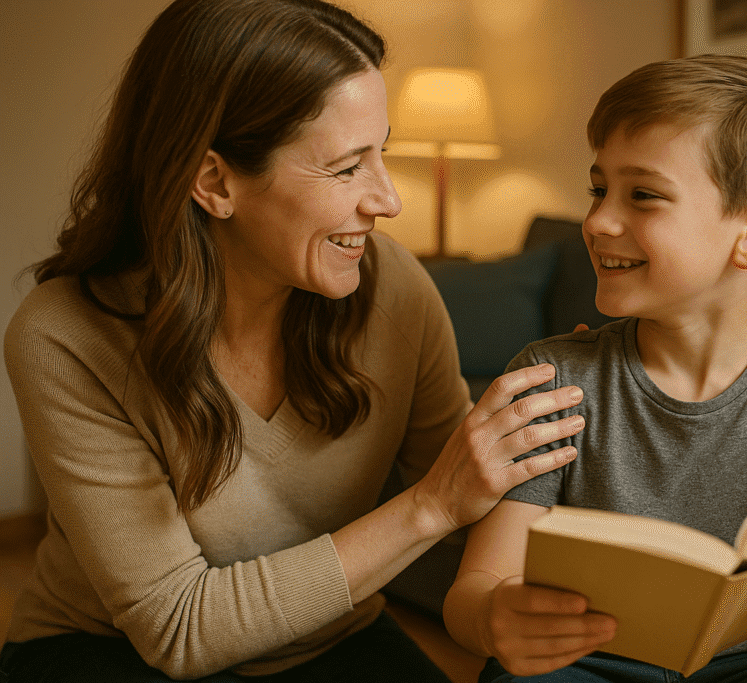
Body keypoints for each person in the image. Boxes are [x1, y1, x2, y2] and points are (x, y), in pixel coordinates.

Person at [0, 0, 587, 680]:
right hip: (108, 652)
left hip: (327, 637)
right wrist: (428, 505)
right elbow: (178, 628)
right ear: (215, 182)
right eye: (346, 168)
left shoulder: (393, 285)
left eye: (383, 154)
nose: (388, 200)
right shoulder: (64, 335)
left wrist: (594, 404)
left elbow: (473, 491)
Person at [443, 55, 747, 683]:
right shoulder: (554, 379)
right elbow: (474, 590)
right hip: (584, 664)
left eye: (642, 195)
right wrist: (494, 617)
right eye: (599, 190)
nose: (597, 221)